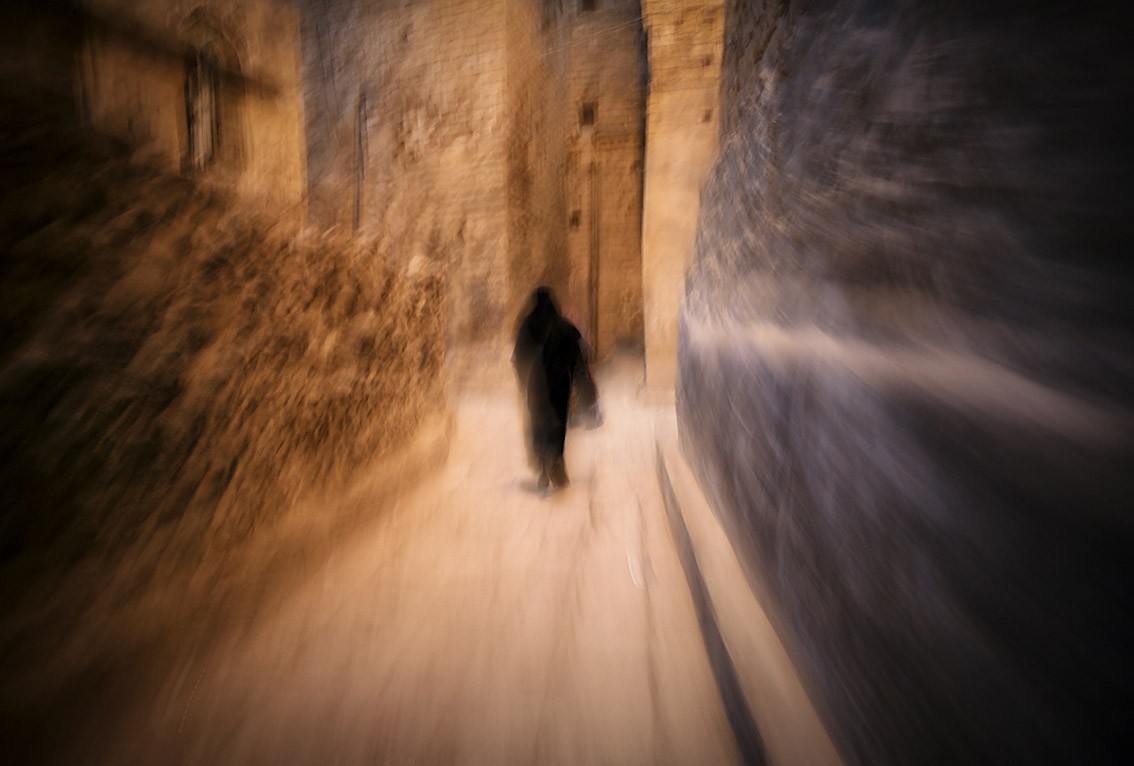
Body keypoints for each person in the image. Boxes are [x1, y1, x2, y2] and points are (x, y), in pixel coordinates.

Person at [512, 287, 594, 491]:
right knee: (557, 424)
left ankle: (542, 467)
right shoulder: (563, 327)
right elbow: (577, 357)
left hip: (535, 387)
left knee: (538, 423)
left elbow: (519, 357)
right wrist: (581, 383)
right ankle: (556, 460)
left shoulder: (527, 326)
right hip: (560, 386)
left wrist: (522, 381)